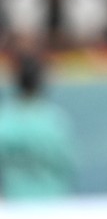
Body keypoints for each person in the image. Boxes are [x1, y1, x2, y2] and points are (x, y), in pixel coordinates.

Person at [0, 49, 77, 200]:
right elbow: (68, 163)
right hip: (51, 203)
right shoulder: (54, 120)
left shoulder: (5, 119)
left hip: (16, 203)